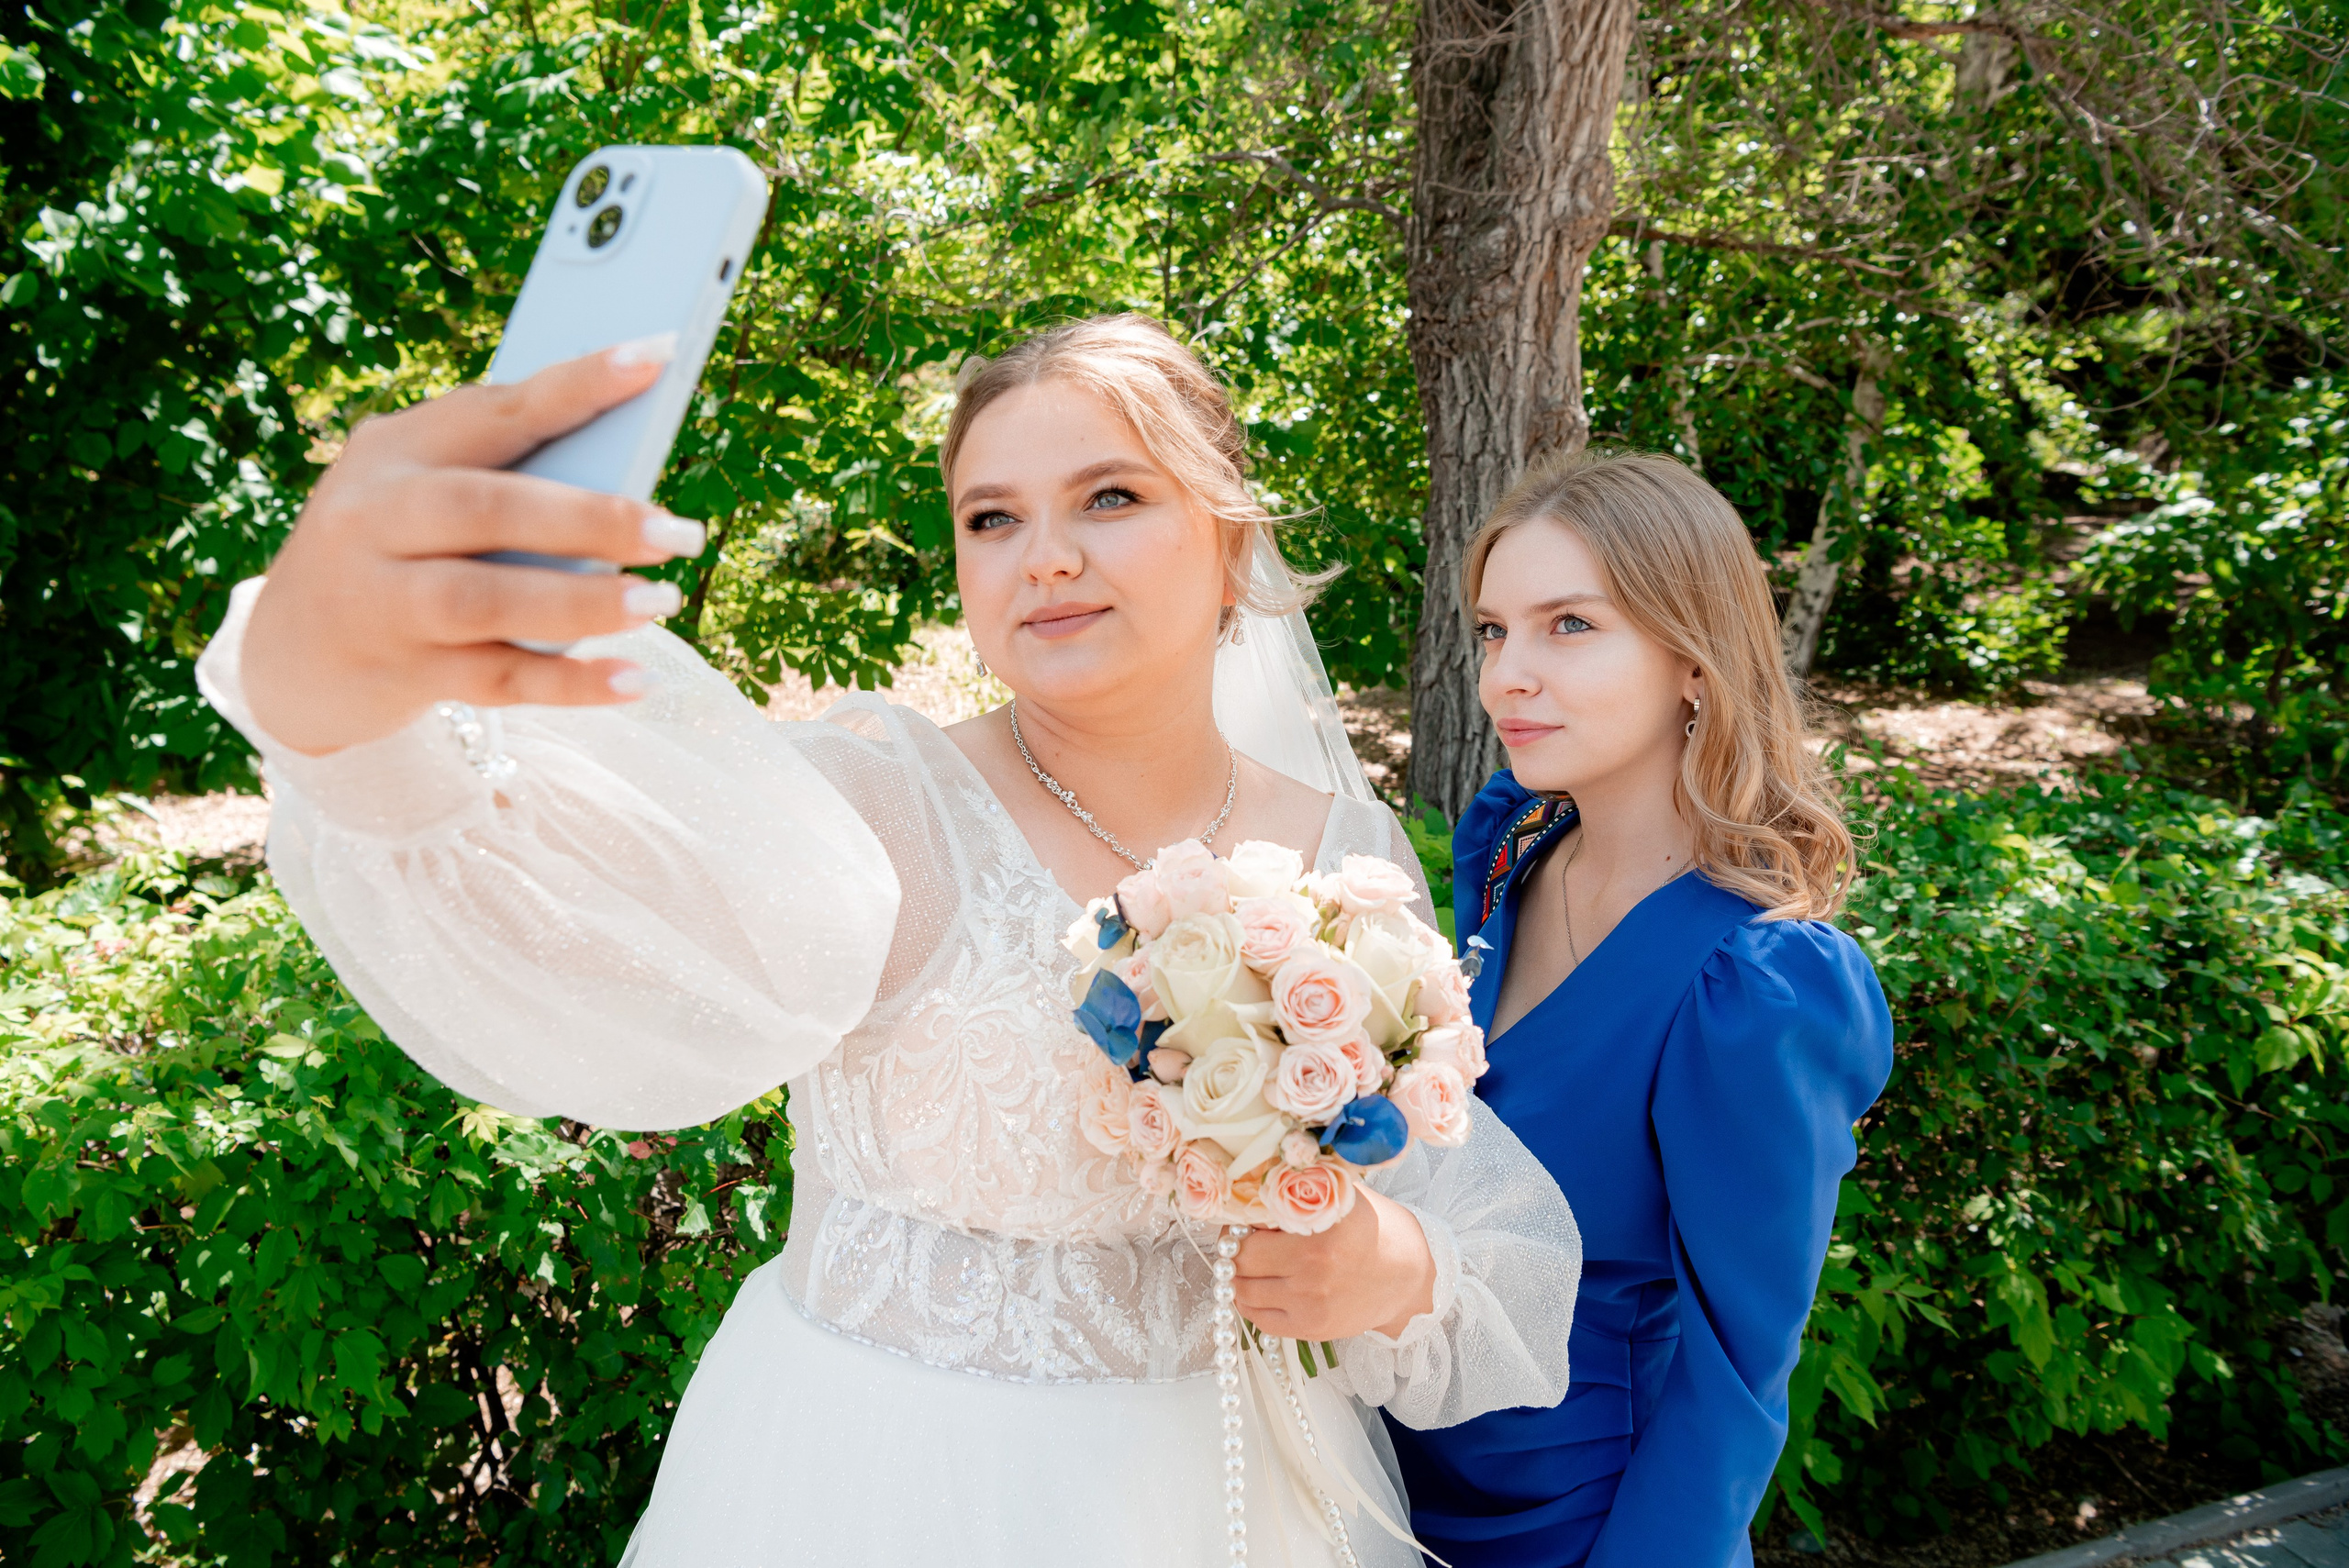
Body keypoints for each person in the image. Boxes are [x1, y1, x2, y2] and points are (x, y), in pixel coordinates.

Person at [195, 313, 1582, 1566]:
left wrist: (1390, 1264)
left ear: (1228, 534)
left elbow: (1461, 1208)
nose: (1045, 556)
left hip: (1236, 1500)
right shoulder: (876, 804)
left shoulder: (1345, 849)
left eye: (1109, 496)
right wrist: (341, 708)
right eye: (992, 518)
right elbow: (553, 898)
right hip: (874, 1486)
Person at [1386, 450, 1895, 1568]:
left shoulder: (1753, 983)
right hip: (1382, 1484)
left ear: (1692, 661)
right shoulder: (1510, 852)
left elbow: (1734, 1374)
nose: (1506, 676)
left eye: (1569, 625)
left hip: (1569, 1528)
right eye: (1493, 630)